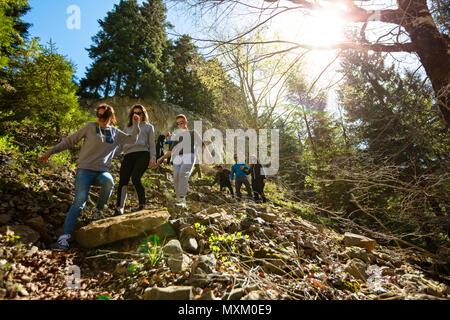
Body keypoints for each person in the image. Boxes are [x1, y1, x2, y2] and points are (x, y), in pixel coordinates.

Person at [39, 104, 141, 251]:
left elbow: (132, 140)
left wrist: (136, 124)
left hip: (101, 172)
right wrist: (50, 151)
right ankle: (64, 238)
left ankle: (97, 211)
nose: (101, 119)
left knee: (109, 182)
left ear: (111, 117)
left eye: (105, 117)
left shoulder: (115, 133)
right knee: (79, 201)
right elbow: (70, 141)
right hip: (84, 171)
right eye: (99, 116)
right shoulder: (89, 127)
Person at [156, 114, 212, 208]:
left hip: (189, 155)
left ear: (186, 122)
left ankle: (182, 199)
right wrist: (162, 158)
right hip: (177, 157)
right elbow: (171, 150)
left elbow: (202, 144)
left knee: (183, 173)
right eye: (178, 123)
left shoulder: (192, 133)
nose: (180, 125)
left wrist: (209, 155)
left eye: (182, 122)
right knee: (176, 177)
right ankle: (180, 200)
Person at [114, 105, 156, 216]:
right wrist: (112, 155)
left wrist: (153, 158)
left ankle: (142, 205)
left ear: (143, 114)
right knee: (123, 179)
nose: (136, 114)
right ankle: (120, 207)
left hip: (143, 154)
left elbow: (152, 144)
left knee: (136, 177)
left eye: (139, 112)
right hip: (128, 155)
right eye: (134, 112)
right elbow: (122, 144)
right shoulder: (127, 127)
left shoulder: (149, 127)